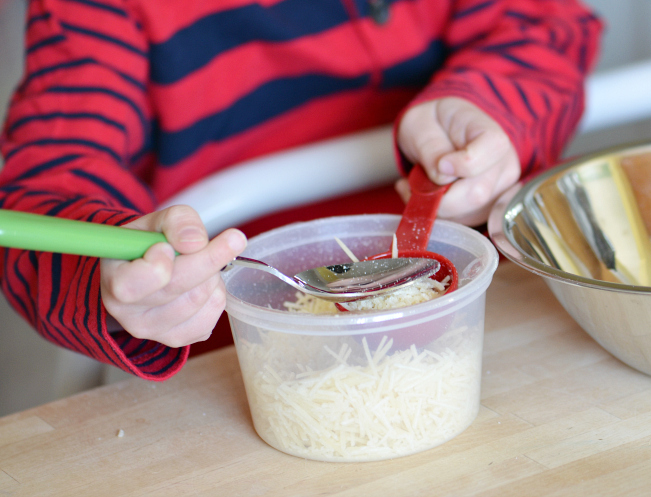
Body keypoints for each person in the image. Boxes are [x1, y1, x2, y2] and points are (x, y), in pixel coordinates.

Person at [0, 0, 602, 380]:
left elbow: (543, 26)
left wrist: (490, 112)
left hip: (494, 332)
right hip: (243, 372)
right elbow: (46, 176)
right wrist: (121, 272)